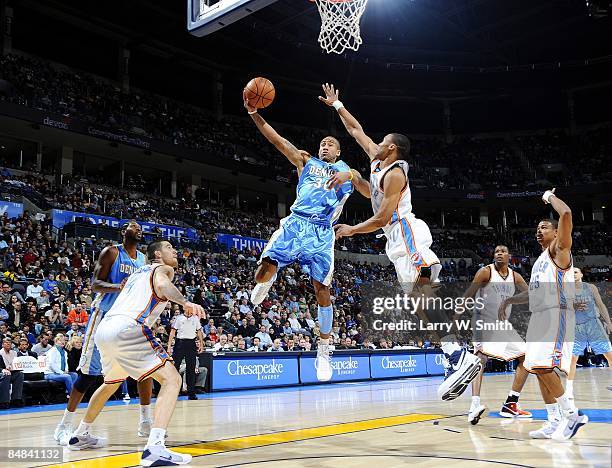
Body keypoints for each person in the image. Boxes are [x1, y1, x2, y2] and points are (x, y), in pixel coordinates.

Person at [321, 83, 480, 399]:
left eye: (382, 142)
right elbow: (356, 131)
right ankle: (454, 355)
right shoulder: (376, 163)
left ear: (392, 149)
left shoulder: (395, 173)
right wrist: (338, 105)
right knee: (419, 301)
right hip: (395, 239)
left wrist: (351, 230)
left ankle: (459, 355)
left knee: (423, 293)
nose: (376, 143)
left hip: (405, 231)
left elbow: (381, 218)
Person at [244, 91, 354, 381]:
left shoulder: (345, 173)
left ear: (339, 152)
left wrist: (352, 175)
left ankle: (324, 348)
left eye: (330, 143)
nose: (325, 146)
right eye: (323, 143)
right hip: (295, 224)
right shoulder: (307, 162)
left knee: (322, 291)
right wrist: (255, 113)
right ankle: (268, 281)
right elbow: (277, 140)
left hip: (321, 233)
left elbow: (368, 187)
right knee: (262, 273)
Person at [69, 240, 203, 467]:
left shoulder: (136, 274)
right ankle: (155, 448)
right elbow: (162, 285)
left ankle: (81, 433)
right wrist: (184, 301)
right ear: (158, 255)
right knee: (172, 379)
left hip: (106, 328)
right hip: (129, 328)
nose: (175, 251)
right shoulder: (162, 269)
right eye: (170, 248)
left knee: (110, 383)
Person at [53, 221, 150, 446]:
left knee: (145, 368)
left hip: (128, 320)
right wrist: (118, 287)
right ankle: (64, 426)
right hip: (104, 315)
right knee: (88, 375)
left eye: (139, 227)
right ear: (123, 231)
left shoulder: (143, 260)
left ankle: (146, 422)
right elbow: (95, 284)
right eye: (132, 225)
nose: (138, 228)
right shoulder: (112, 252)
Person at [503, 189, 587, 440]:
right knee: (536, 368)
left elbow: (567, 213)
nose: (539, 231)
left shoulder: (559, 250)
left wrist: (549, 196)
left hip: (556, 315)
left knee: (543, 366)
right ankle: (553, 420)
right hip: (539, 317)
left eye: (544, 227)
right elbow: (533, 294)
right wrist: (510, 299)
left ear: (555, 231)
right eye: (537, 229)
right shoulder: (540, 259)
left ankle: (572, 416)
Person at [463, 245, 532, 425]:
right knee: (481, 359)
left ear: (510, 256)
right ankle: (474, 405)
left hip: (503, 324)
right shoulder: (485, 272)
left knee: (526, 358)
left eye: (503, 251)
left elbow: (530, 295)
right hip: (483, 320)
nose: (499, 253)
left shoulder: (515, 276)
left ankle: (511, 403)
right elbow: (468, 294)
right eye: (496, 251)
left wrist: (511, 300)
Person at [566, 267, 612, 408]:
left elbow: (600, 304)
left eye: (575, 271)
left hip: (593, 324)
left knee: (609, 355)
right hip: (576, 326)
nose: (573, 274)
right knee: (572, 358)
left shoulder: (590, 287)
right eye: (570, 272)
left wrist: (608, 322)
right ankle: (568, 389)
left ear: (581, 274)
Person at [167, 306, 205, 400]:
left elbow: (199, 331)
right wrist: (168, 347)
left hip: (191, 343)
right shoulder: (179, 318)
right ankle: (173, 392)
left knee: (191, 368)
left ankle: (191, 393)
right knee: (175, 368)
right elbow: (173, 332)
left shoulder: (195, 318)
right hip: (180, 343)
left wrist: (201, 344)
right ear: (185, 309)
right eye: (191, 309)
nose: (192, 310)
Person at [0, 336, 23, 408]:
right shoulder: (0, 353)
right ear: (2, 344)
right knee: (7, 374)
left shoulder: (14, 353)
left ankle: (16, 399)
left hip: (12, 371)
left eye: (9, 343)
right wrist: (4, 369)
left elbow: (16, 364)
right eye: (6, 343)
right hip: (3, 372)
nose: (8, 344)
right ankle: (4, 401)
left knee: (20, 374)